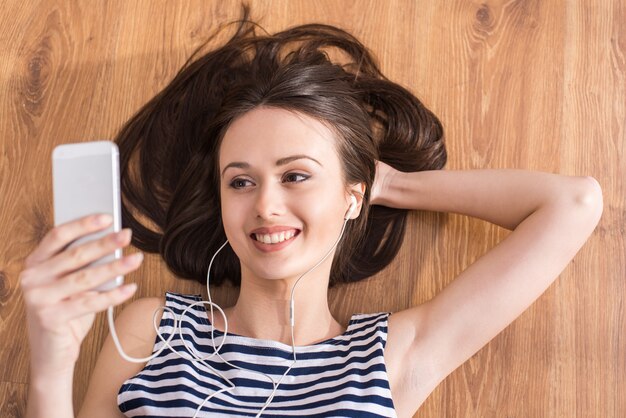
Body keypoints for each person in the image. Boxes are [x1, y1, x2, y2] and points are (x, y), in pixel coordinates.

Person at [20, 6, 603, 418]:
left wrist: (386, 185)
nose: (266, 204)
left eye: (296, 175)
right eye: (240, 181)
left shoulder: (388, 356)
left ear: (352, 197)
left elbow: (571, 203)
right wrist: (52, 363)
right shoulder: (150, 332)